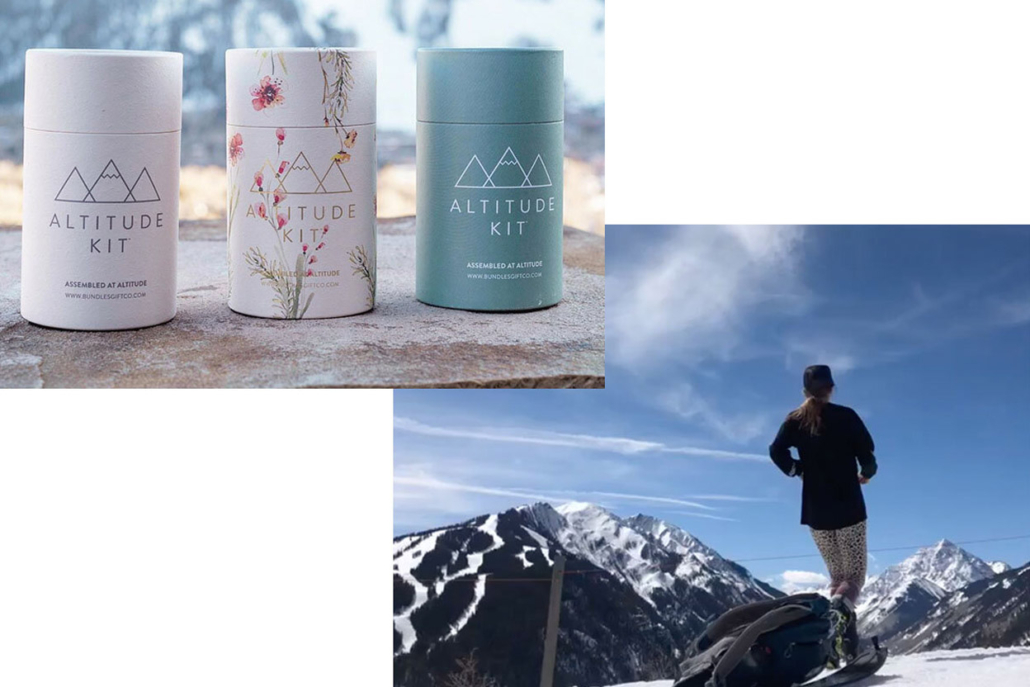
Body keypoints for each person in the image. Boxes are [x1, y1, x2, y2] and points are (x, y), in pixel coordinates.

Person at [769, 364, 877, 661]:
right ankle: (840, 624)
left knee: (837, 576)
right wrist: (867, 474)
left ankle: (841, 642)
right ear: (831, 388)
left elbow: (776, 451)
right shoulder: (846, 417)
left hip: (816, 510)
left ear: (805, 391)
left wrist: (798, 469)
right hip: (849, 507)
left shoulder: (795, 420)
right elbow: (867, 457)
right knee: (853, 578)